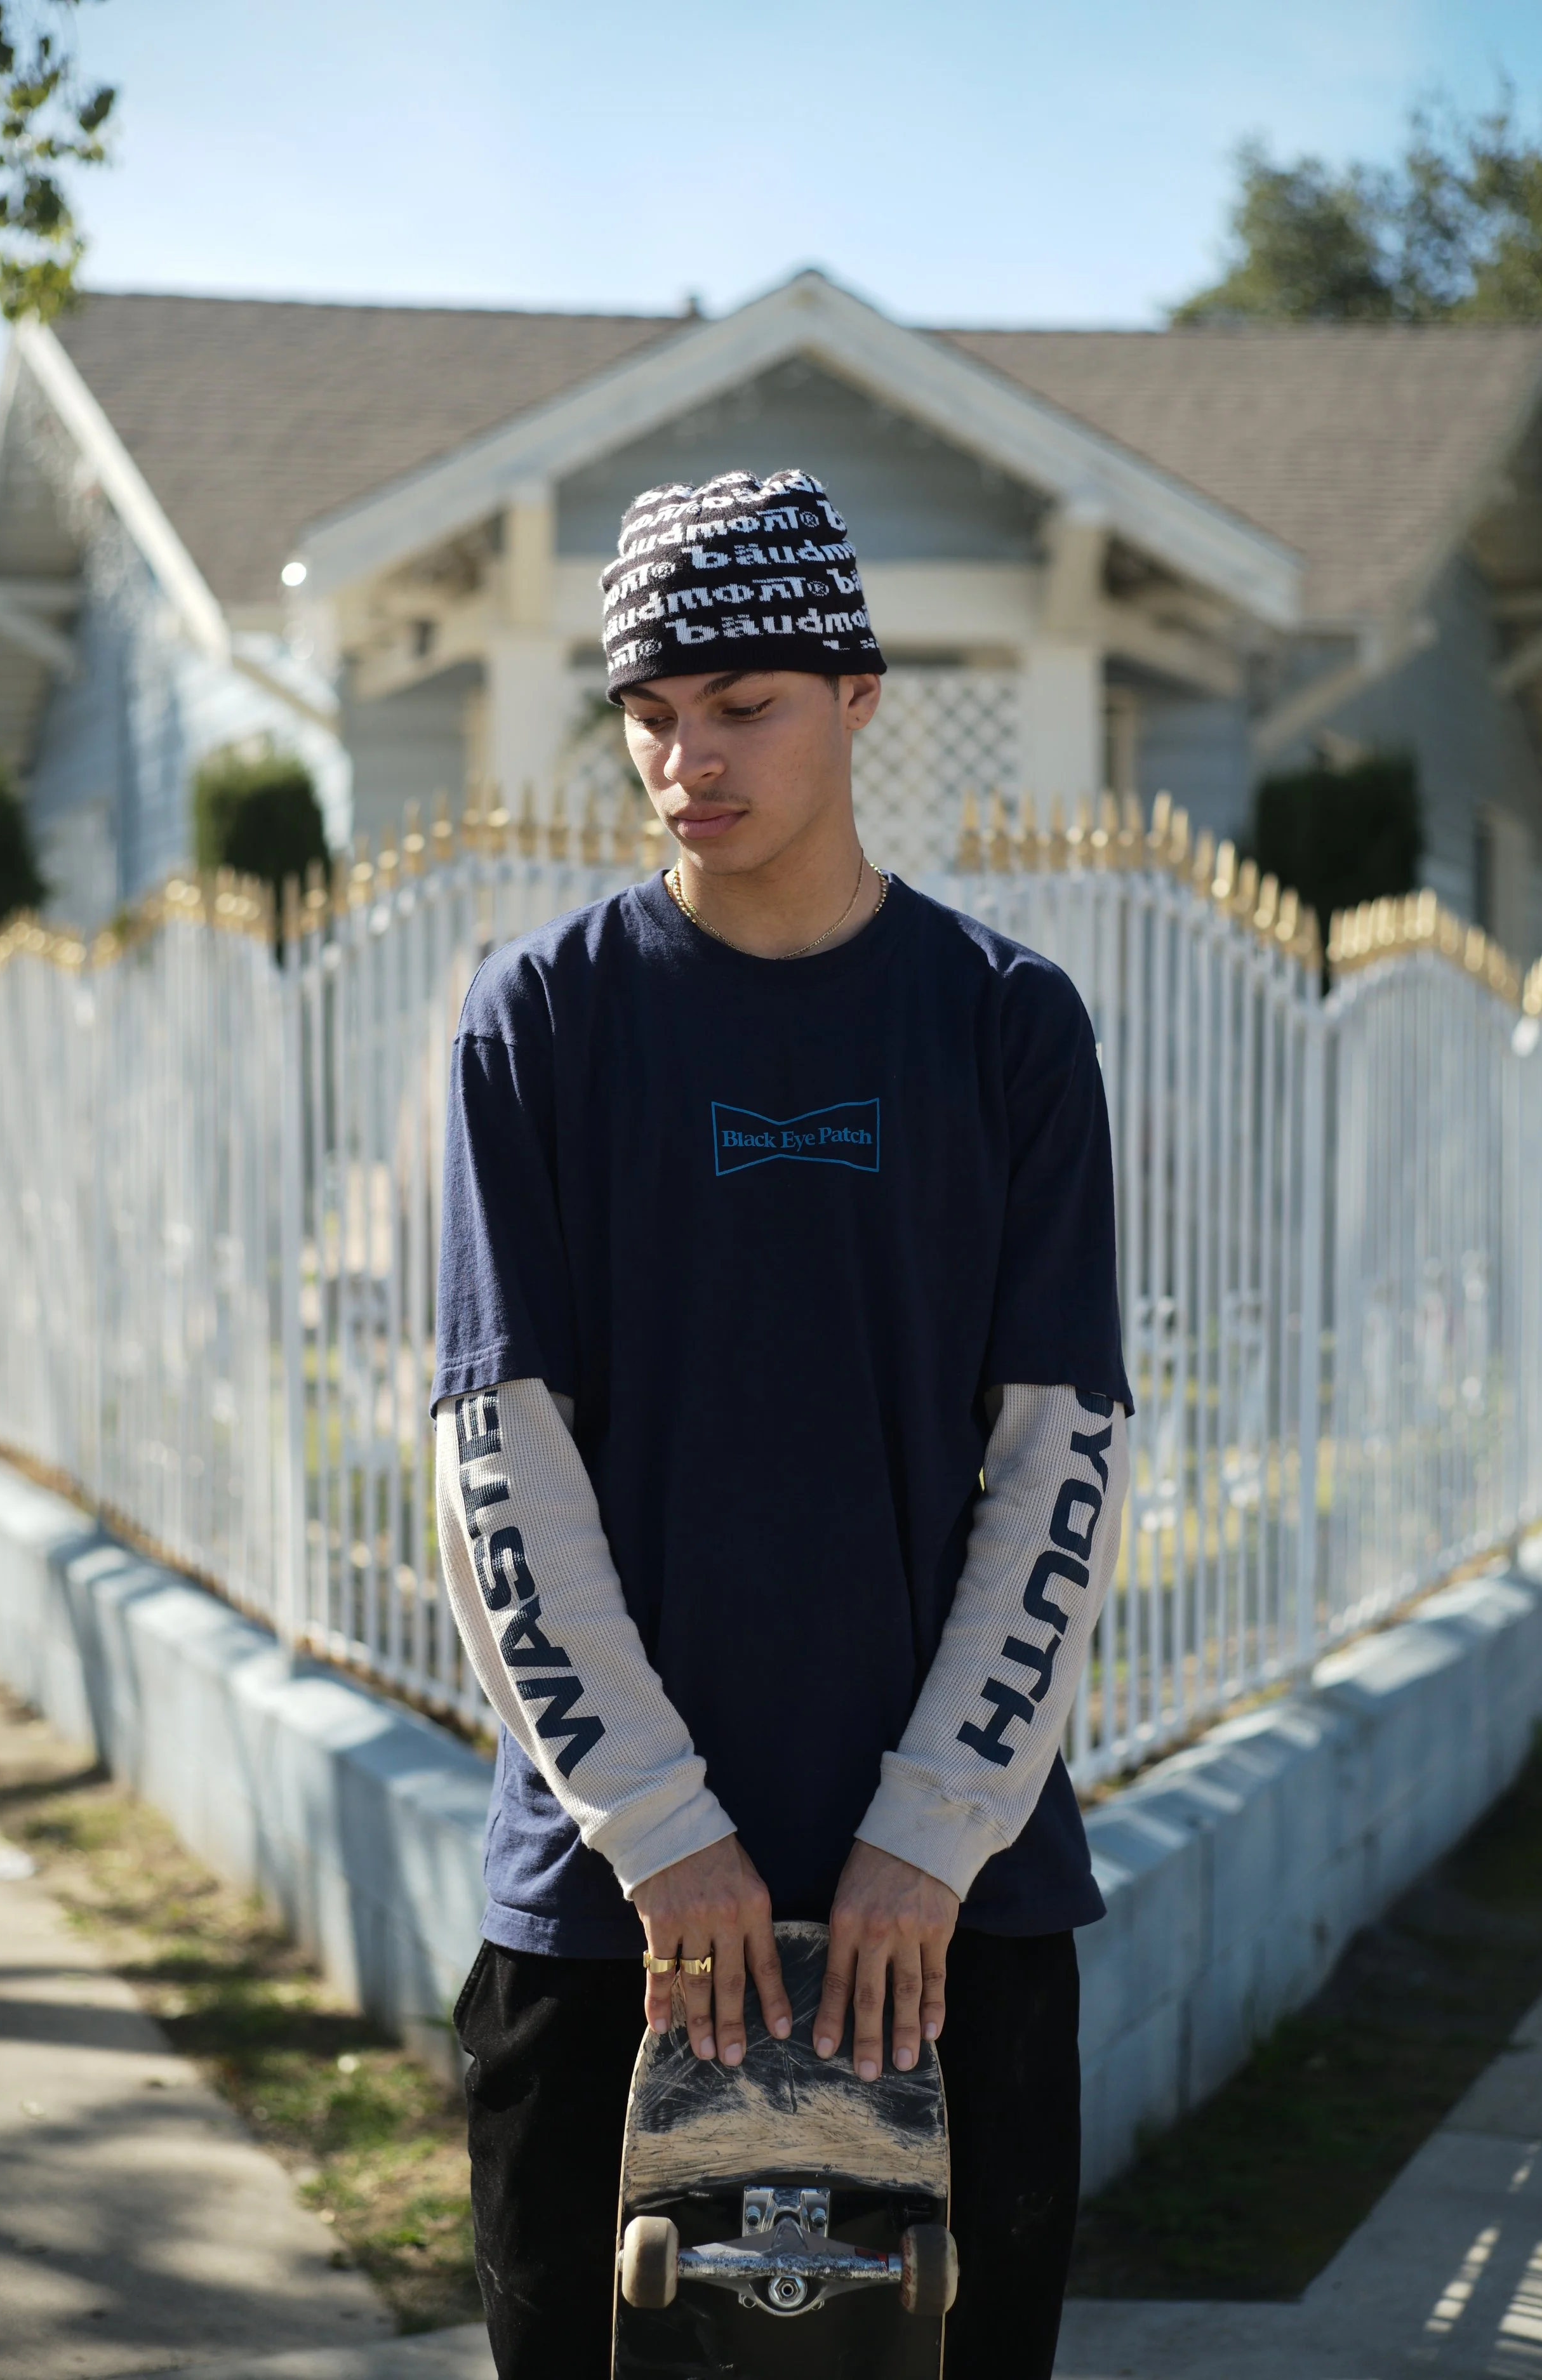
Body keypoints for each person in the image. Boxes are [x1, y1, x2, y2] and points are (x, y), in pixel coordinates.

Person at [432, 466, 1131, 2380]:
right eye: (652, 714)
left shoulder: (1004, 1022)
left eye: (743, 705)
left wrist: (931, 1831)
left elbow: (1060, 1457)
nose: (690, 760)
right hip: (613, 1913)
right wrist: (666, 1833)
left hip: (948, 1914)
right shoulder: (539, 1019)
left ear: (858, 695)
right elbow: (496, 1454)